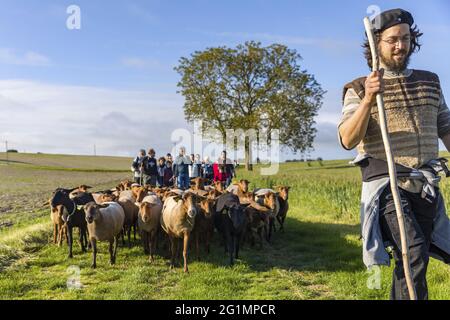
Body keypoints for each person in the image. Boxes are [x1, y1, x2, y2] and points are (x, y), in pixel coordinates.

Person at [338, 8, 450, 300]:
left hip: (425, 184)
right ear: (377, 45)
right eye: (392, 40)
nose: (401, 45)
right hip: (387, 184)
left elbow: (446, 127)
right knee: (412, 250)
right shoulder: (359, 87)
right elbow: (348, 139)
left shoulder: (430, 82)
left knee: (414, 258)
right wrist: (367, 101)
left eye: (406, 38)